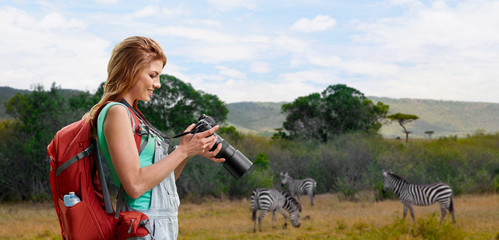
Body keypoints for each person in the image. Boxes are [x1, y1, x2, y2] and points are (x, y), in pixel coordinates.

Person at [84, 36, 225, 239]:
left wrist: (185, 151)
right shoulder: (116, 112)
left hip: (158, 224)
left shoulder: (132, 114)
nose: (157, 84)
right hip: (144, 225)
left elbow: (162, 182)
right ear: (130, 70)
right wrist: (183, 151)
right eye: (152, 75)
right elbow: (134, 186)